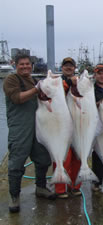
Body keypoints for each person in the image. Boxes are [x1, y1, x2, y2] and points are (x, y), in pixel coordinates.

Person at [3, 54, 56, 213]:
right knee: (16, 163)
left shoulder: (32, 80)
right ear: (15, 65)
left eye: (27, 64)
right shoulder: (11, 80)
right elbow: (18, 98)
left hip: (38, 127)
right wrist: (36, 89)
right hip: (20, 128)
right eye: (22, 64)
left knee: (43, 159)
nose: (25, 67)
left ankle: (40, 187)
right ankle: (14, 197)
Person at [53, 57, 82, 198]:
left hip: (78, 126)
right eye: (66, 65)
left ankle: (75, 186)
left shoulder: (81, 82)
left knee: (78, 158)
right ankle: (60, 189)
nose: (69, 68)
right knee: (62, 158)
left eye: (71, 65)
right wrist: (69, 83)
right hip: (61, 127)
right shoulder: (57, 82)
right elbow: (54, 95)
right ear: (62, 67)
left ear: (75, 67)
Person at [91, 64, 103, 191]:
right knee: (97, 153)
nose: (102, 76)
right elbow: (89, 107)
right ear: (95, 75)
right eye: (99, 73)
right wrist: (101, 102)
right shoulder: (91, 90)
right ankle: (96, 182)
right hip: (97, 125)